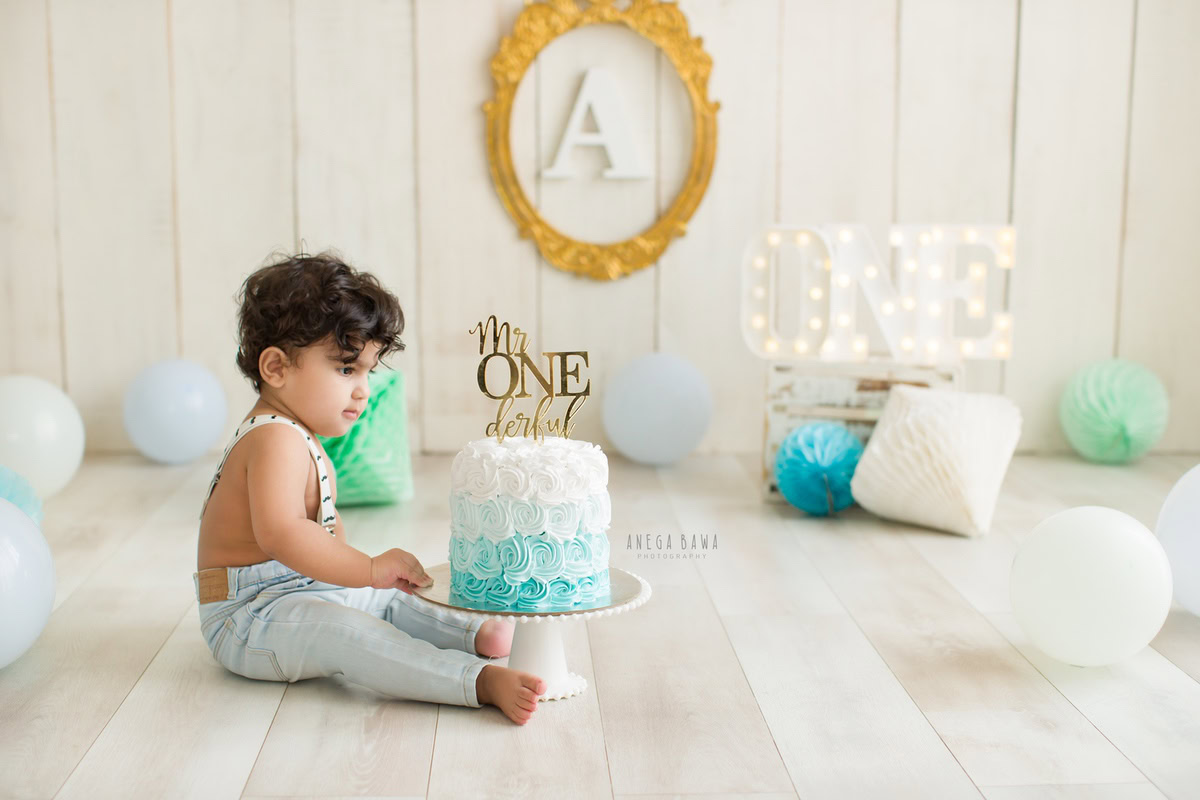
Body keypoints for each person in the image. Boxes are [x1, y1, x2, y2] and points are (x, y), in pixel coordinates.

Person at [193, 251, 544, 725]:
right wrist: (369, 568)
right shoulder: (273, 437)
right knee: (347, 633)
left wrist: (361, 578)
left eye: (367, 371)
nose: (363, 390)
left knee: (386, 600)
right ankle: (472, 680)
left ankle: (471, 633)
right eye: (346, 369)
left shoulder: (298, 435)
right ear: (276, 368)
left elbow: (323, 535)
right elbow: (282, 534)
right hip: (248, 616)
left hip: (301, 590)